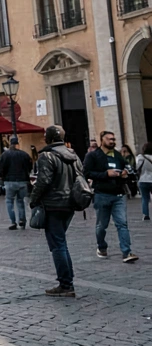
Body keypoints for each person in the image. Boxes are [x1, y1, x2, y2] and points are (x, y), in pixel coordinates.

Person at [30, 125, 83, 297]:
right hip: (70, 203)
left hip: (53, 204)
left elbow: (43, 181)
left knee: (57, 245)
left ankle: (66, 284)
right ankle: (67, 280)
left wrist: (33, 199)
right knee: (61, 243)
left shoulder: (47, 156)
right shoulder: (73, 155)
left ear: (50, 138)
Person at [84, 130, 138, 263]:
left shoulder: (118, 155)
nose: (112, 141)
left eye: (113, 139)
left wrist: (125, 174)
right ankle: (101, 246)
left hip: (119, 194)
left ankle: (126, 252)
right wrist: (105, 174)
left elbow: (129, 169)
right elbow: (86, 173)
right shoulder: (93, 156)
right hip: (102, 194)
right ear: (102, 140)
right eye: (109, 139)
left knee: (122, 223)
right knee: (102, 225)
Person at [0, 137, 33, 231]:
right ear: (17, 144)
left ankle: (13, 222)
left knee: (9, 201)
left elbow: (1, 168)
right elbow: (30, 166)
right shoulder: (24, 154)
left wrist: (2, 176)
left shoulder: (5, 155)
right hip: (22, 181)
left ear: (10, 144)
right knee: (20, 201)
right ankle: (22, 220)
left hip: (9, 181)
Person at [136, 142, 152, 222]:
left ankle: (145, 214)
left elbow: (137, 167)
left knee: (144, 198)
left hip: (143, 179)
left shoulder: (140, 157)